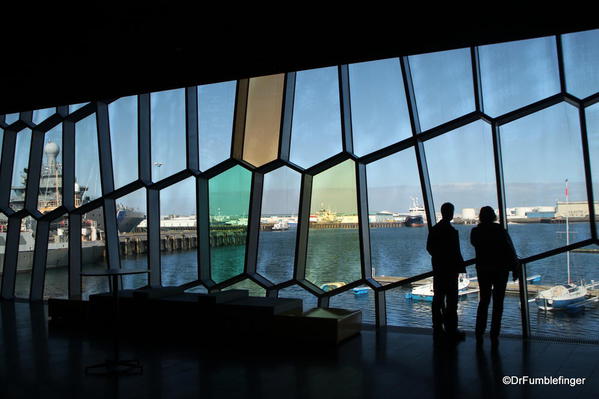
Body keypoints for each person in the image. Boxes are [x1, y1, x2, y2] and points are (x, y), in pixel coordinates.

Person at [470, 206, 519, 346]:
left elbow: (475, 244)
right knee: (498, 303)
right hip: (500, 269)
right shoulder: (499, 230)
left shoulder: (475, 232)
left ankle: (479, 331)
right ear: (493, 216)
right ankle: (494, 332)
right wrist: (515, 266)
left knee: (484, 301)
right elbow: (509, 249)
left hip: (483, 269)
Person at [426, 202, 466, 342]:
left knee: (438, 299)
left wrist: (438, 259)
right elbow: (456, 252)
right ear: (450, 213)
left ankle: (438, 328)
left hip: (439, 269)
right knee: (452, 301)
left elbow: (429, 248)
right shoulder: (450, 231)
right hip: (450, 271)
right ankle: (451, 329)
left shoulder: (435, 229)